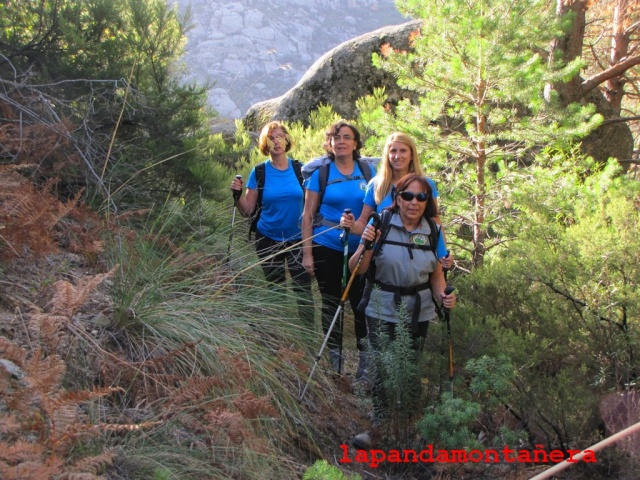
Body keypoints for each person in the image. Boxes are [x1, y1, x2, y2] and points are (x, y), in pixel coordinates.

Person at [348, 172, 457, 447]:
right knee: (384, 367)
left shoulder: (433, 231)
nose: (414, 202)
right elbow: (356, 269)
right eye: (407, 196)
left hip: (417, 310)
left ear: (427, 201)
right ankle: (380, 426)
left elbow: (435, 275)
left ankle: (410, 428)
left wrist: (444, 297)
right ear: (397, 198)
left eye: (421, 197)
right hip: (381, 305)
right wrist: (367, 243)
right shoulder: (381, 223)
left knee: (410, 367)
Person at [300, 120, 374, 375]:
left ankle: (364, 364)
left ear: (355, 143)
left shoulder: (368, 173)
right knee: (331, 302)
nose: (340, 141)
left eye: (346, 137)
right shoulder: (320, 174)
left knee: (361, 304)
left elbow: (377, 207)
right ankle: (334, 361)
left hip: (362, 250)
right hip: (326, 245)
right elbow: (307, 217)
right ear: (329, 143)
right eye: (335, 137)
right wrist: (307, 254)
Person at [229, 121, 313, 326]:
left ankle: (308, 337)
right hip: (267, 239)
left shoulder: (300, 169)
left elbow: (312, 205)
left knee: (303, 291)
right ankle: (279, 335)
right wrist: (237, 196)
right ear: (265, 144)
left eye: (280, 136)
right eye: (271, 138)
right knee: (276, 290)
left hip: (297, 239)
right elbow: (247, 210)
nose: (276, 141)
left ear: (287, 139)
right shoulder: (259, 173)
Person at [340, 132, 453, 269]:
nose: (397, 156)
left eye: (403, 151)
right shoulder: (377, 185)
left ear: (412, 155)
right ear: (387, 155)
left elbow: (435, 221)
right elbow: (364, 222)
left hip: (419, 255)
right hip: (382, 259)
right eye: (393, 151)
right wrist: (351, 226)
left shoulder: (426, 185)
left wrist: (443, 254)